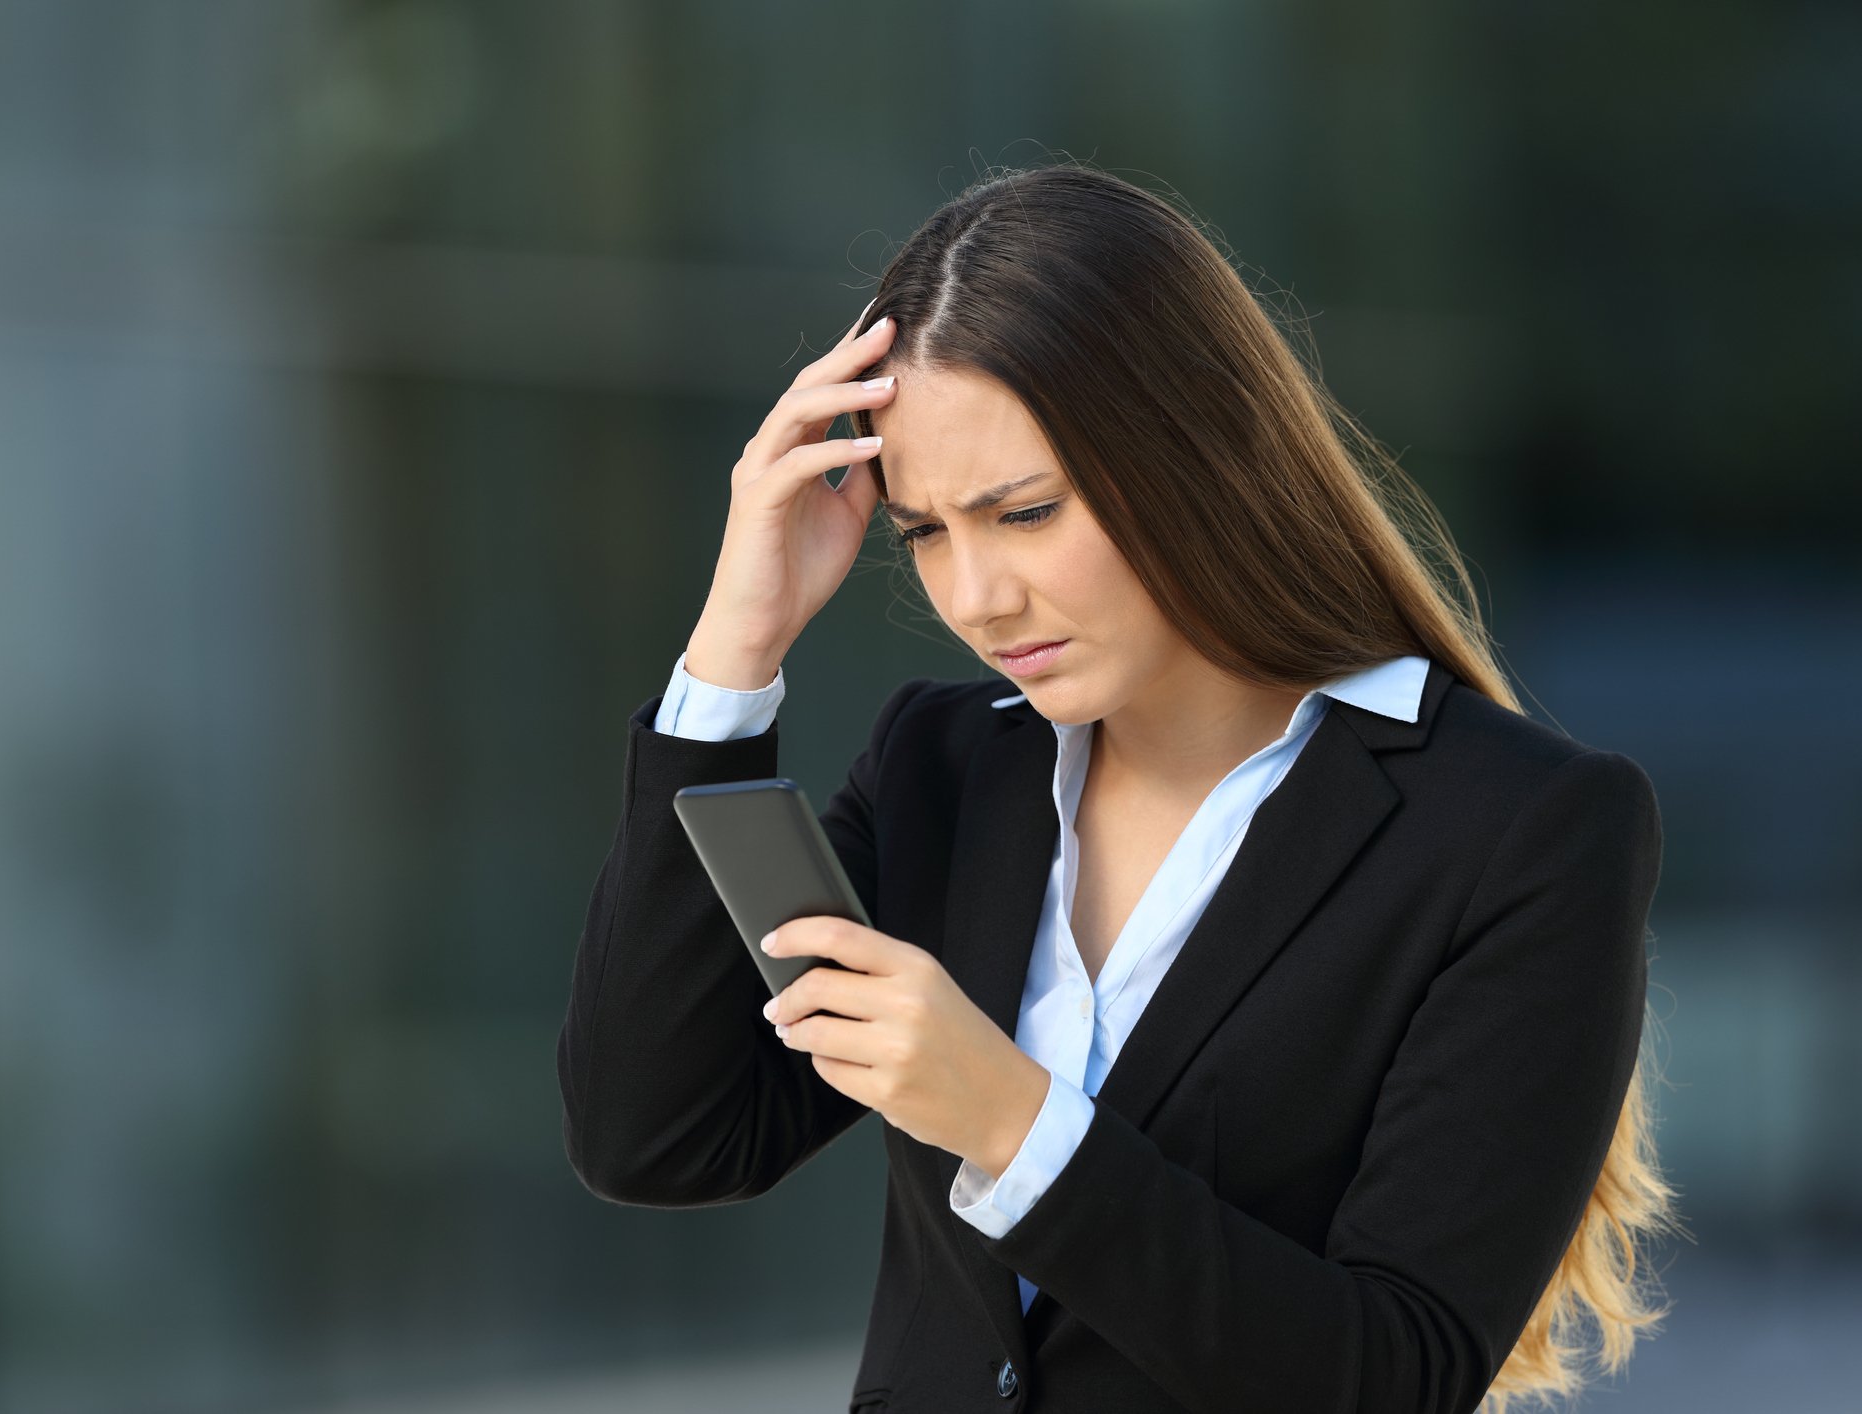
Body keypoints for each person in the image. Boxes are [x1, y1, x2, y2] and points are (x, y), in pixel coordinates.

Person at [556, 162, 1676, 1414]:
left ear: (1194, 449)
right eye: (924, 530)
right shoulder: (946, 769)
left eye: (1025, 512)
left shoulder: (1518, 829)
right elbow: (655, 1136)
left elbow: (1393, 1378)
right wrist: (732, 650)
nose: (975, 597)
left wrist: (1017, 1126)